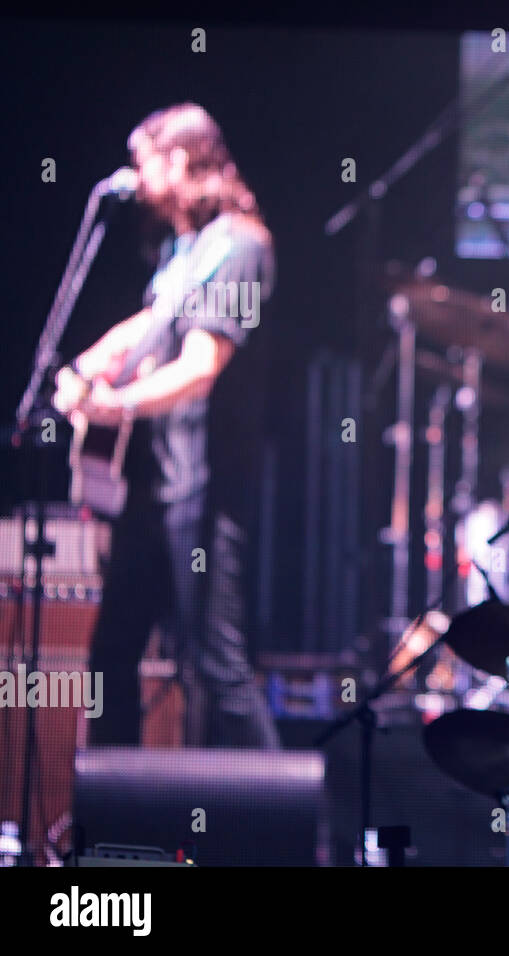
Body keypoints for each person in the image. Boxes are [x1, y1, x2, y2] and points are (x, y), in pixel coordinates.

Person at [52, 103, 279, 749]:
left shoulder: (240, 245)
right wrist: (87, 366)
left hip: (202, 493)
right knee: (111, 657)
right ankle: (117, 831)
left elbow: (201, 366)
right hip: (150, 493)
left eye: (143, 162)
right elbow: (148, 326)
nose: (135, 178)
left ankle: (288, 832)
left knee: (218, 668)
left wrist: (113, 406)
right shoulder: (186, 250)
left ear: (180, 159)